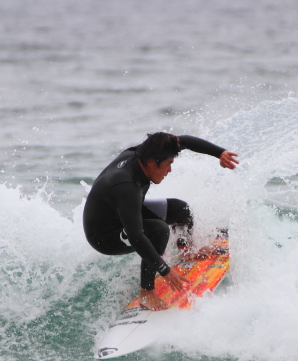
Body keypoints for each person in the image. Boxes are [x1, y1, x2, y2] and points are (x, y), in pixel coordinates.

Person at [83, 132, 239, 310]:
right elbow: (136, 236)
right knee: (158, 230)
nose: (169, 170)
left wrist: (220, 153)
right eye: (168, 164)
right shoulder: (126, 185)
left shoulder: (148, 152)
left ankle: (188, 250)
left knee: (181, 210)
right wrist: (165, 270)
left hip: (123, 209)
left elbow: (185, 141)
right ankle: (146, 292)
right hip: (104, 234)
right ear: (151, 163)